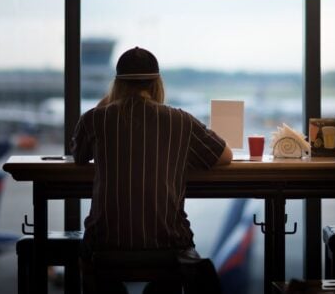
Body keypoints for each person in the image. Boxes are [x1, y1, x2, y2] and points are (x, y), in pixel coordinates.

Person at [71, 46, 233, 294]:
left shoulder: (95, 118)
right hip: (169, 244)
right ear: (157, 83)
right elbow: (225, 156)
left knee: (89, 256)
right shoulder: (181, 120)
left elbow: (79, 155)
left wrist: (110, 101)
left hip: (104, 243)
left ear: (117, 85)